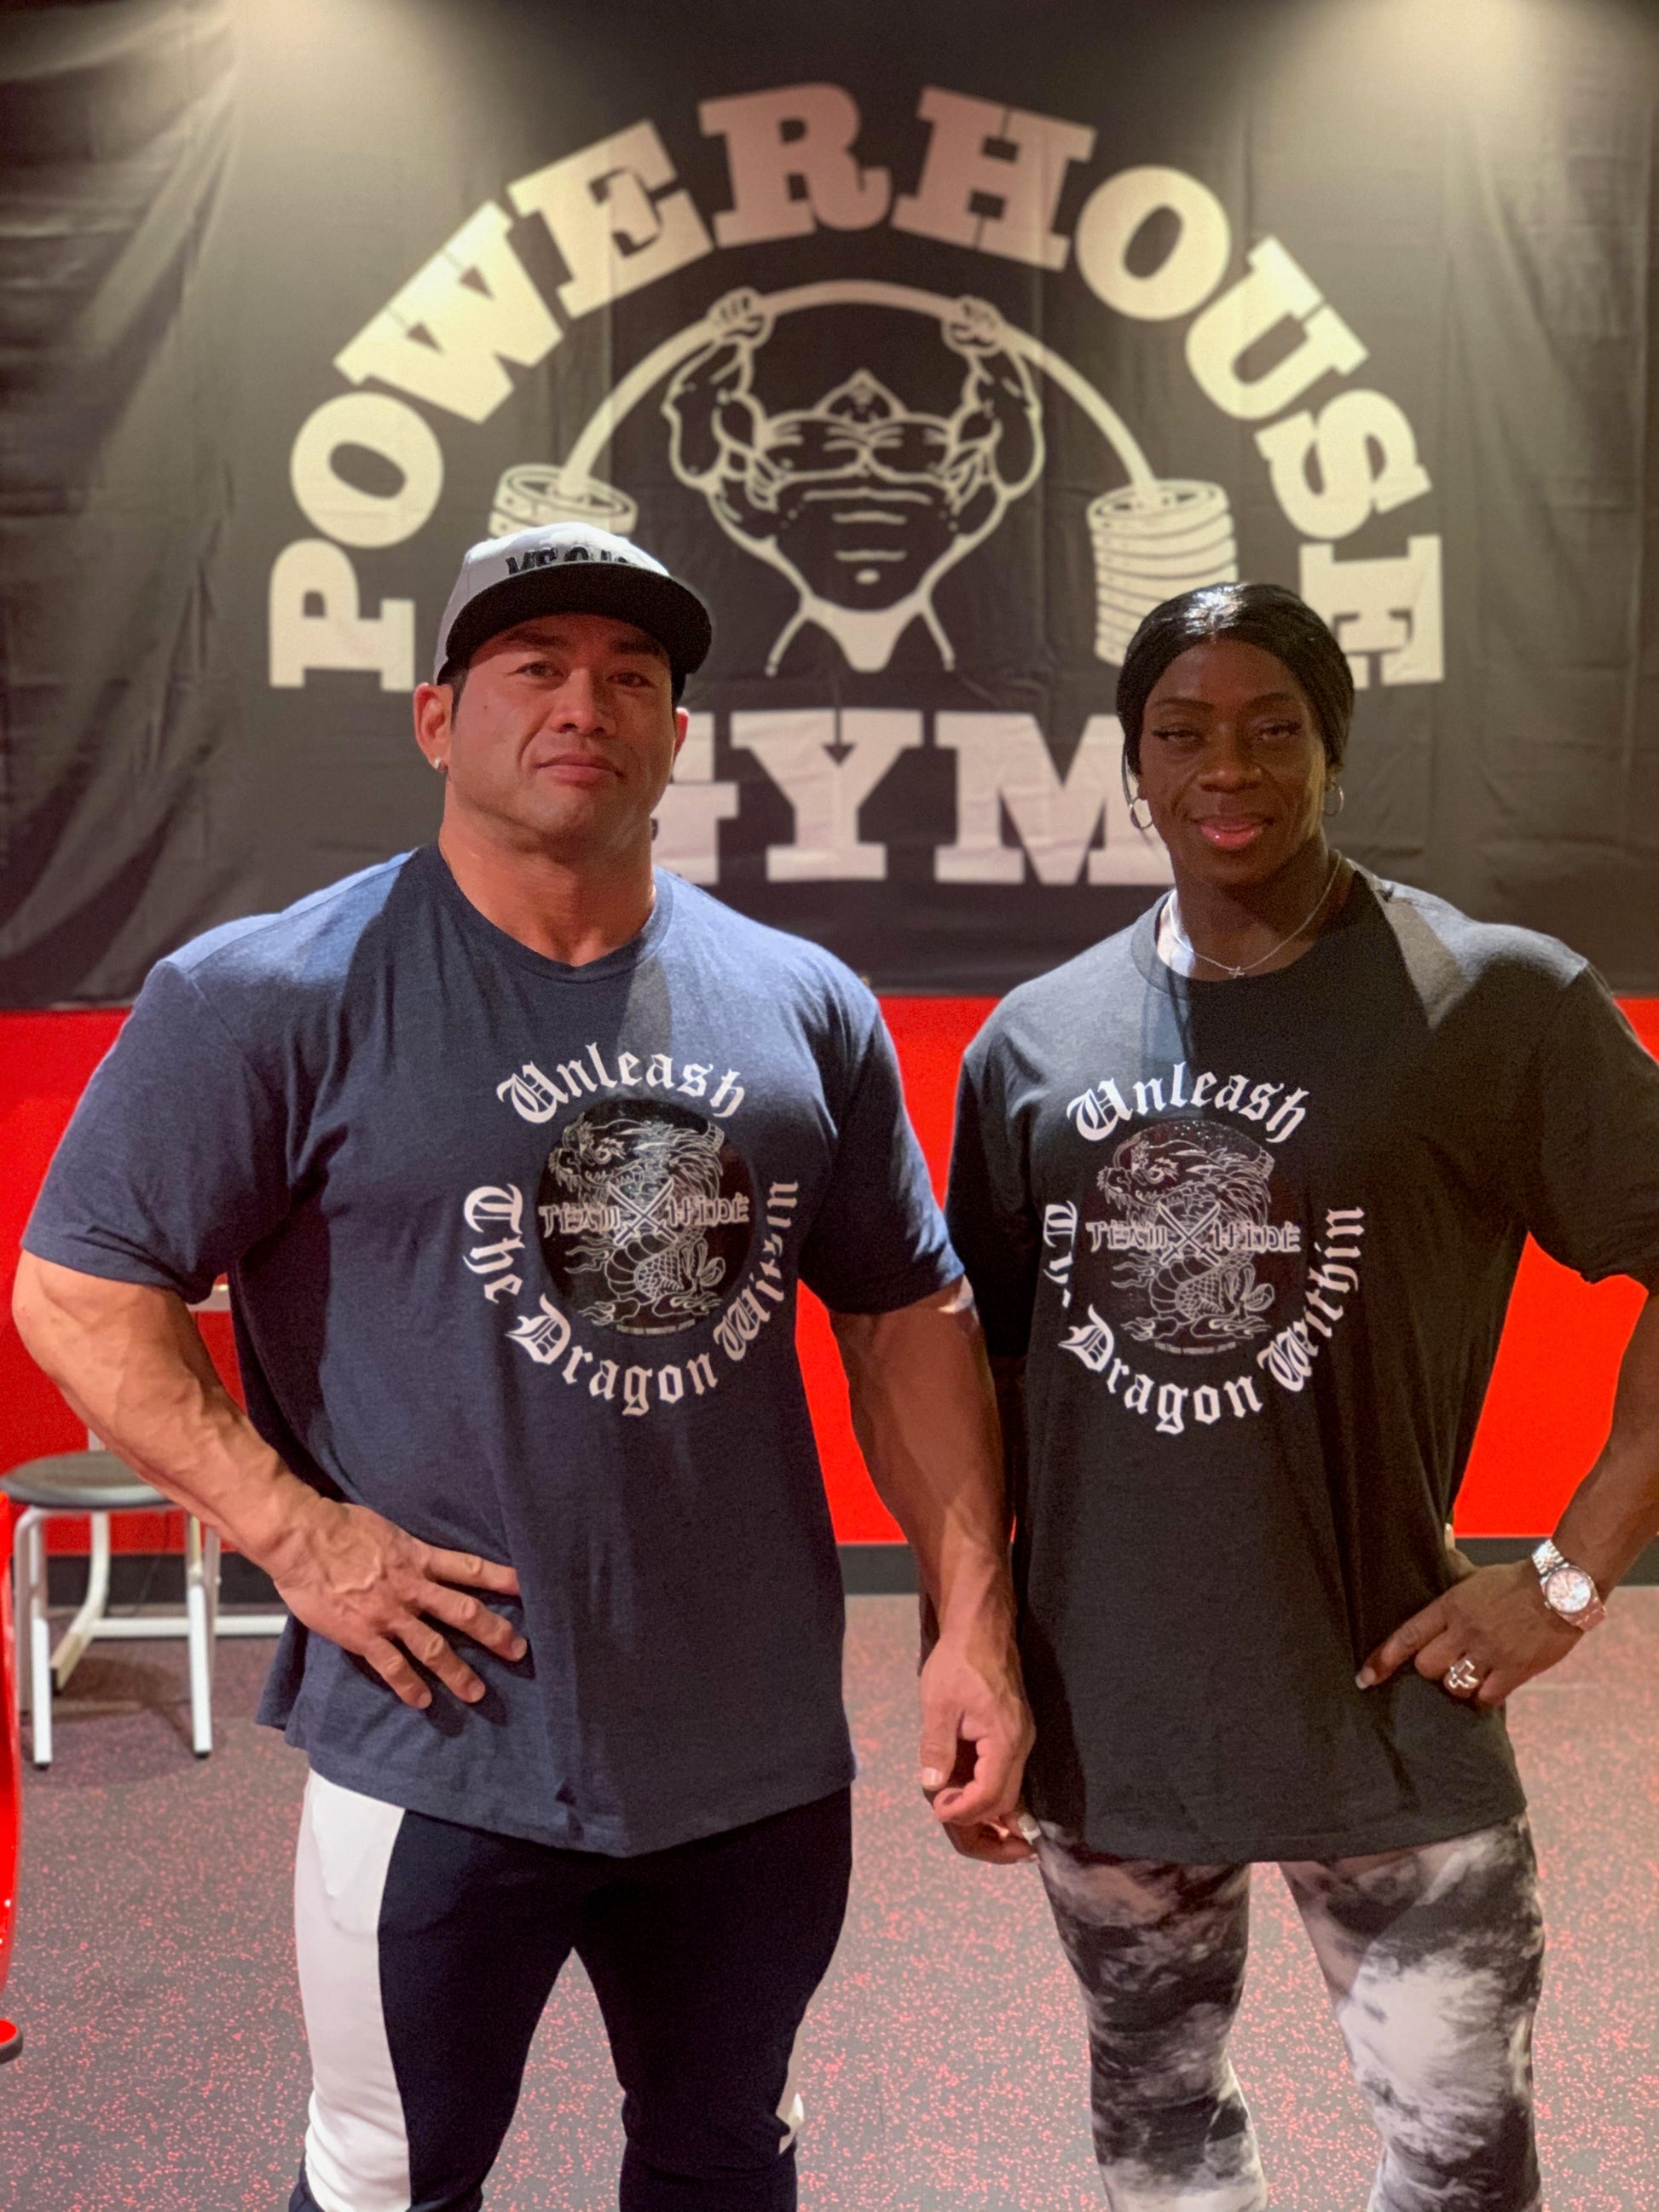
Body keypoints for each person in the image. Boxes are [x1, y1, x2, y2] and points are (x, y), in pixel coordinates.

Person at [13, 519, 1032, 2212]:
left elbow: (905, 1311)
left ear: (676, 736)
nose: (584, 704)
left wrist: (970, 1622)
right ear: (437, 718)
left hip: (751, 1746)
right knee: (390, 2177)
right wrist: (298, 1534)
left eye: (630, 677)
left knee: (725, 2158)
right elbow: (75, 1288)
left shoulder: (799, 1000)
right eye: (534, 667)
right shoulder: (272, 992)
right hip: (440, 1733)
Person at [945, 581, 1659, 2212]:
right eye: (1181, 732)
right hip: (1110, 1714)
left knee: (1461, 2162)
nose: (1228, 767)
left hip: (1392, 1701)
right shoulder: (1034, 1040)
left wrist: (1570, 1572)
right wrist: (966, 1650)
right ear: (1133, 763)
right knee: (1159, 2139)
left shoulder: (1487, 997)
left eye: (1273, 728)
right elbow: (978, 1379)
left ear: (1332, 750)